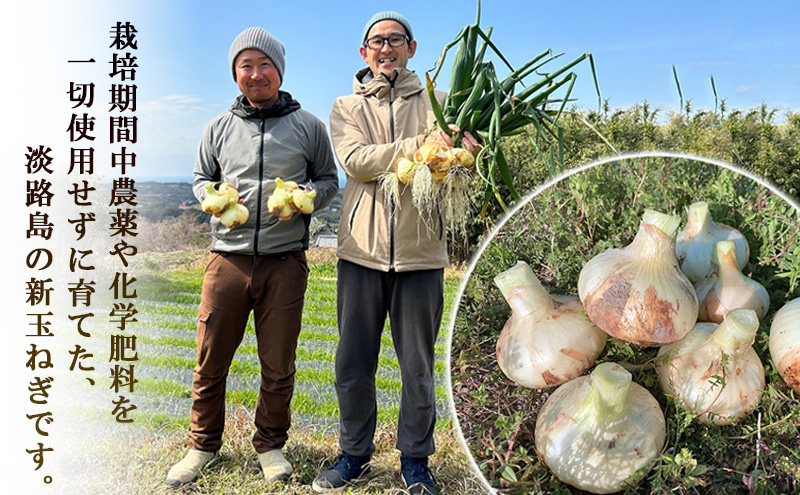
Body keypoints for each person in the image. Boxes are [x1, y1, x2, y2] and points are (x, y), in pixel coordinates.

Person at [312, 11, 478, 495]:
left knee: (418, 368)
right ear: (364, 52)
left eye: (395, 40)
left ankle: (416, 462)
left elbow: (455, 168)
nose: (386, 48)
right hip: (361, 254)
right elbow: (357, 162)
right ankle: (354, 454)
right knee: (352, 363)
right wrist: (418, 144)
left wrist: (468, 152)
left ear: (412, 48)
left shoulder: (440, 103)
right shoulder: (346, 106)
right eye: (377, 41)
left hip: (421, 256)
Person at [165, 27, 338, 487]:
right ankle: (202, 445)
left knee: (278, 365)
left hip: (285, 262)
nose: (256, 74)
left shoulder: (308, 126)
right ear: (235, 73)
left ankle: (270, 446)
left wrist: (306, 198)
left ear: (279, 71)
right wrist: (211, 197)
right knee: (210, 359)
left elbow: (328, 180)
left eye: (265, 65)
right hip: (227, 260)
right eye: (246, 65)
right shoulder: (218, 128)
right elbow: (201, 179)